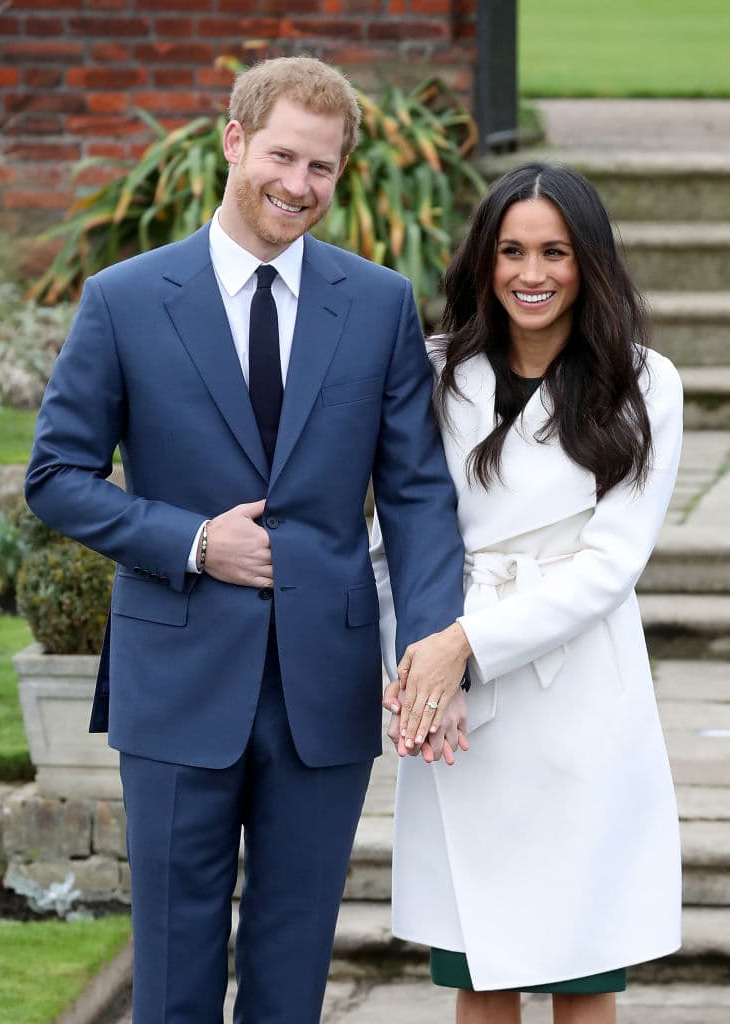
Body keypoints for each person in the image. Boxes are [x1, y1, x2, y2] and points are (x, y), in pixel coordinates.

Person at [24, 57, 469, 1024]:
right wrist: (191, 542)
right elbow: (54, 476)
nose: (298, 185)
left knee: (291, 969)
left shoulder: (379, 303)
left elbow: (418, 496)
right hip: (175, 677)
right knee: (172, 972)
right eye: (281, 157)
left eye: (321, 167)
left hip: (324, 685)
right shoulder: (125, 298)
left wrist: (432, 650)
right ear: (234, 142)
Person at [372, 162, 683, 1024]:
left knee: (583, 969)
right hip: (455, 696)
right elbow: (396, 536)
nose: (531, 273)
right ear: (485, 260)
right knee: (479, 968)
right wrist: (418, 670)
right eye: (512, 251)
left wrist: (466, 648)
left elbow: (610, 565)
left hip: (576, 691)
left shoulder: (644, 381)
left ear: (590, 262)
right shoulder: (434, 371)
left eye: (555, 251)